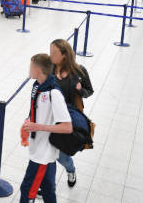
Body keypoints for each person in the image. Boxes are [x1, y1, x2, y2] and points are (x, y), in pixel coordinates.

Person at [20, 53, 73, 203]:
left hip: (42, 155)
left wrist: (37, 126)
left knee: (27, 190)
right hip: (40, 150)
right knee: (49, 190)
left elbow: (67, 127)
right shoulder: (37, 86)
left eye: (31, 66)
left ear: (38, 70)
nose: (29, 70)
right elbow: (35, 110)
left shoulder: (54, 93)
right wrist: (28, 121)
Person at [49, 39, 94, 188]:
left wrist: (80, 89)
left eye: (54, 53)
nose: (50, 56)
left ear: (64, 55)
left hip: (68, 120)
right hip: (49, 117)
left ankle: (71, 170)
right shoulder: (50, 68)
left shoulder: (79, 71)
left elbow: (89, 91)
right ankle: (48, 185)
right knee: (48, 155)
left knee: (62, 156)